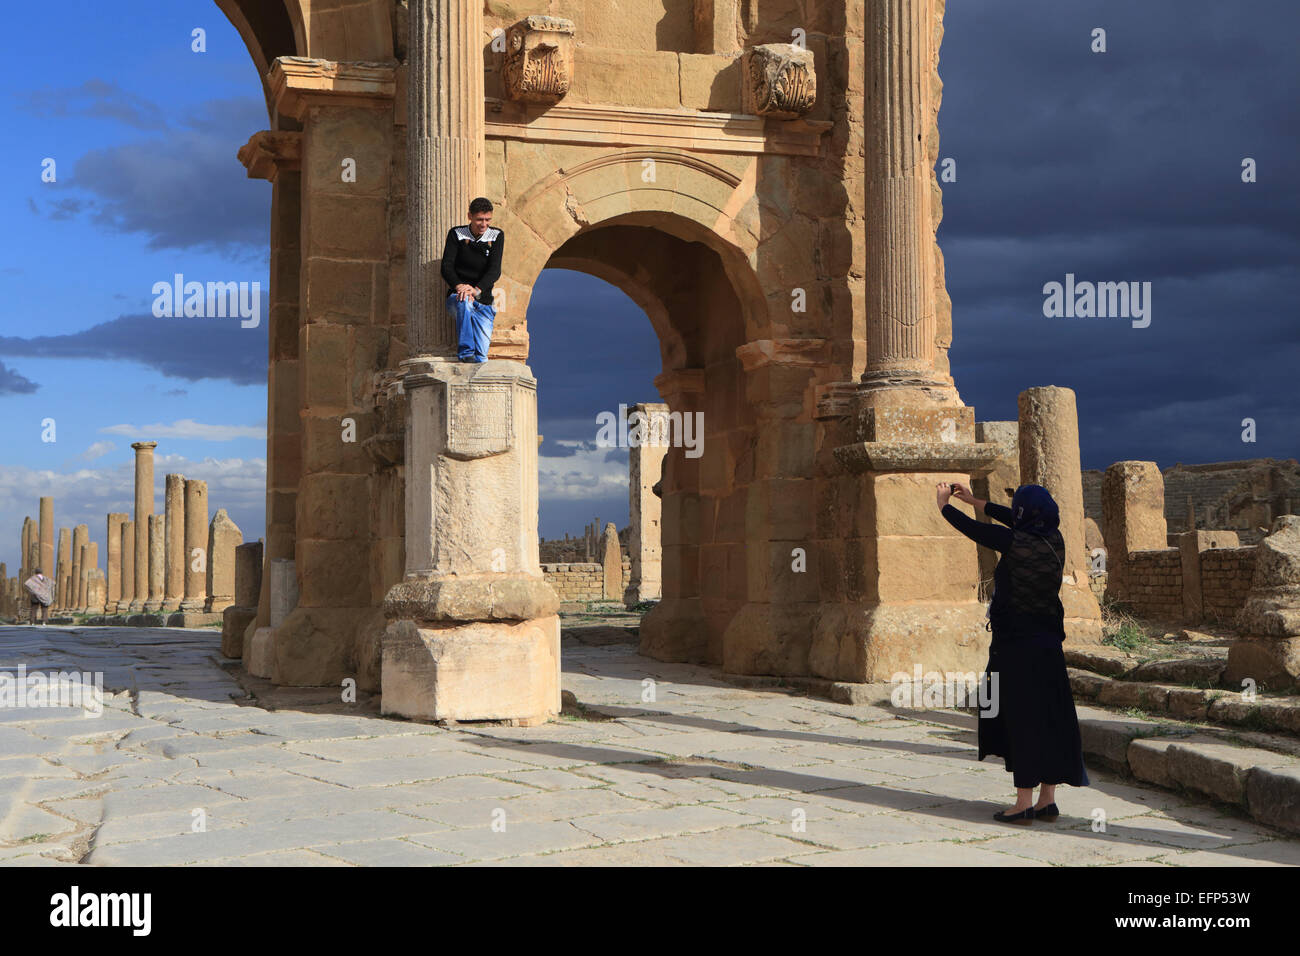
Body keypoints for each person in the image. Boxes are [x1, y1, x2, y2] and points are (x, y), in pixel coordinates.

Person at [937, 480, 1090, 824]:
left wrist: (945, 506)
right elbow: (1013, 518)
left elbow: (974, 531)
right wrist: (977, 501)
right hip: (1049, 647)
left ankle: (1023, 803)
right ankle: (1046, 800)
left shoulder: (1013, 542)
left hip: (1017, 649)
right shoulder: (1055, 540)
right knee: (1049, 718)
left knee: (1021, 721)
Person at [441, 197, 503, 363]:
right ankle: (465, 351)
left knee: (481, 357)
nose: (483, 224)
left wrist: (476, 290)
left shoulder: (496, 235)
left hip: (483, 299)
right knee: (465, 301)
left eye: (487, 220)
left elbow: (494, 270)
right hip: (459, 295)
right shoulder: (456, 234)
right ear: (470, 216)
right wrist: (460, 286)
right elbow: (446, 266)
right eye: (479, 220)